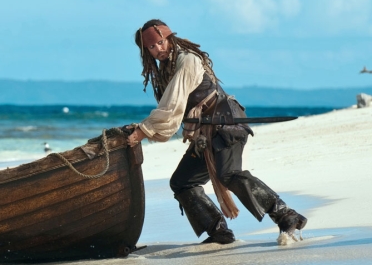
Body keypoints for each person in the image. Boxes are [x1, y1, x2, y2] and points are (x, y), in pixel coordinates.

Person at [127, 19, 307, 245]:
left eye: (160, 43)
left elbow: (171, 107)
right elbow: (174, 108)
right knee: (182, 182)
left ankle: (286, 215)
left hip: (226, 125)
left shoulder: (188, 60)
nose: (158, 50)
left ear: (169, 38)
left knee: (228, 174)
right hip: (205, 135)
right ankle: (219, 232)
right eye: (151, 47)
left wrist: (143, 131)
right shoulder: (166, 70)